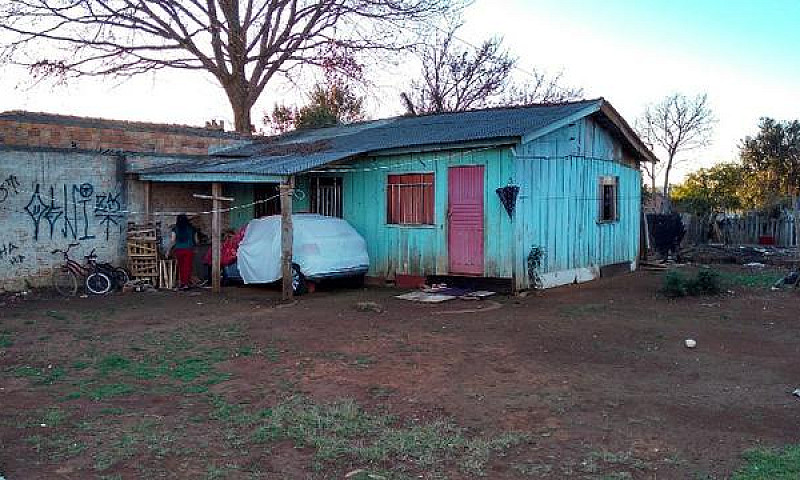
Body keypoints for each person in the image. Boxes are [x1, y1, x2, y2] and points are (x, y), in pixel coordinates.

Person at [171, 214, 198, 290]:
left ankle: (182, 283)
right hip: (189, 249)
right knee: (188, 267)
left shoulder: (175, 229)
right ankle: (186, 284)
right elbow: (196, 240)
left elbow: (173, 241)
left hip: (178, 250)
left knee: (181, 267)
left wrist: (169, 250)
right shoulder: (192, 228)